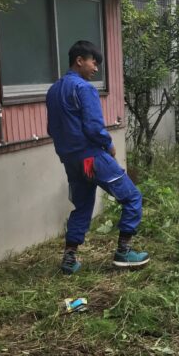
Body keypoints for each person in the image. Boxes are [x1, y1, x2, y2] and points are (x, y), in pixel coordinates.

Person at [46, 40, 149, 274]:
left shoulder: (53, 90)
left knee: (82, 206)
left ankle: (70, 259)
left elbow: (52, 129)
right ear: (79, 60)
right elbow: (93, 127)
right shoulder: (84, 89)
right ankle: (124, 251)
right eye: (94, 62)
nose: (96, 68)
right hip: (91, 157)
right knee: (132, 197)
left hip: (71, 160)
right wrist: (109, 145)